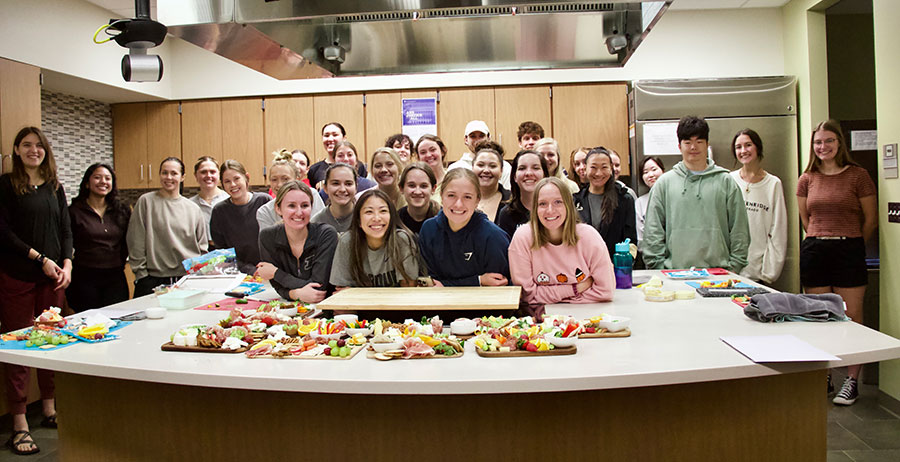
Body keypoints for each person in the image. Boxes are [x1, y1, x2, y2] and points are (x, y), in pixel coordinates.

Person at [0, 127, 70, 455]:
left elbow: (65, 230)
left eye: (39, 145)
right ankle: (19, 422)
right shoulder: (5, 186)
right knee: (20, 346)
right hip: (18, 277)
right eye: (27, 145)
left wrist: (67, 263)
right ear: (16, 150)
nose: (33, 150)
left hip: (53, 277)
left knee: (51, 342)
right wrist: (39, 258)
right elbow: (3, 233)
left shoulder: (55, 187)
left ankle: (50, 408)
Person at [797, 120, 876, 406]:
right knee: (820, 317)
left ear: (839, 143)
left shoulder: (858, 176)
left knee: (852, 317)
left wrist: (849, 241)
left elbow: (870, 220)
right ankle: (826, 376)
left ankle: (851, 380)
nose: (823, 147)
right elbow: (806, 219)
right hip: (816, 249)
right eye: (818, 142)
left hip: (849, 249)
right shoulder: (807, 178)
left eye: (828, 141)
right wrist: (822, 236)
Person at [642, 116, 750, 271]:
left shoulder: (725, 181)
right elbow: (653, 231)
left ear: (707, 144)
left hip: (719, 275)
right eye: (688, 142)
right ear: (679, 146)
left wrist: (733, 268)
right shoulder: (664, 183)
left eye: (699, 141)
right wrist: (660, 268)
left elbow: (739, 230)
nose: (693, 147)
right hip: (674, 274)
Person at [509, 177, 615, 306]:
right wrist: (575, 289)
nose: (550, 210)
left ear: (568, 205)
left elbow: (605, 291)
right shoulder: (523, 237)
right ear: (534, 208)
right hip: (541, 318)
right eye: (542, 204)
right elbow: (527, 295)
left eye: (558, 202)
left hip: (587, 313)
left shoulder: (589, 236)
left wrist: (550, 297)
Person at [127, 157, 209, 297]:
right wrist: (142, 276)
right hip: (153, 281)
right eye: (164, 173)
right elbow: (136, 241)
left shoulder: (193, 209)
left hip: (186, 280)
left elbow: (202, 248)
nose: (168, 177)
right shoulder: (146, 202)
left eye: (174, 173)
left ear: (182, 177)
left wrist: (199, 276)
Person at [418, 168, 510, 287]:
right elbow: (432, 284)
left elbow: (499, 284)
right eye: (451, 195)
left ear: (477, 200)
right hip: (439, 303)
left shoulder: (493, 236)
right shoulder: (429, 229)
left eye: (467, 197)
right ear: (441, 196)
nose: (458, 204)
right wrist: (479, 281)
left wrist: (446, 285)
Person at [257, 180, 338, 302]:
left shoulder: (325, 234)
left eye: (305, 205)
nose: (299, 212)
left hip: (325, 308)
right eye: (291, 206)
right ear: (278, 209)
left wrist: (276, 273)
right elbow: (278, 287)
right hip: (289, 307)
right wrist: (294, 294)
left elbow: (318, 288)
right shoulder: (267, 237)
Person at [67, 163, 131, 311]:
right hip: (84, 278)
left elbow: (127, 243)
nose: (103, 181)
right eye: (97, 177)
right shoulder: (74, 211)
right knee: (87, 326)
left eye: (108, 178)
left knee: (117, 320)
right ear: (87, 183)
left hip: (115, 277)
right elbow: (66, 242)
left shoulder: (121, 210)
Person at [729, 129, 787, 284]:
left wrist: (769, 271)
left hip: (759, 271)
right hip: (730, 270)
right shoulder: (729, 180)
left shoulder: (773, 184)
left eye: (748, 145)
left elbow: (778, 230)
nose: (743, 151)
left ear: (757, 147)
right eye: (738, 147)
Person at [330, 189, 420, 288]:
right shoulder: (347, 241)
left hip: (395, 302)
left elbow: (409, 287)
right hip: (359, 303)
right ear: (359, 220)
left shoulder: (402, 240)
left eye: (383, 211)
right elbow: (341, 290)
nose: (377, 218)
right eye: (369, 212)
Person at [573, 147, 637, 258]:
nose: (598, 173)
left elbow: (631, 240)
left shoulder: (624, 200)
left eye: (604, 167)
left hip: (614, 267)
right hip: (583, 267)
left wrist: (623, 263)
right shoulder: (575, 200)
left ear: (611, 169)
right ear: (585, 169)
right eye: (593, 167)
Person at [209, 160, 271, 274]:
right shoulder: (219, 211)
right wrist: (250, 270)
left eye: (236, 179)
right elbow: (222, 252)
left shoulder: (264, 201)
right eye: (227, 181)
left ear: (246, 177)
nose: (233, 185)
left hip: (270, 270)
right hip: (239, 274)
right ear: (222, 185)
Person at [257, 153, 325, 231]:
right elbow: (268, 241)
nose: (279, 185)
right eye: (274, 180)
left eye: (285, 179)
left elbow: (321, 229)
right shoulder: (265, 212)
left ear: (296, 179)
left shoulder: (312, 195)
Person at [496, 150, 549, 238]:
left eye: (535, 168)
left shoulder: (558, 209)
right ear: (515, 177)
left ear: (545, 175)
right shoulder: (507, 214)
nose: (528, 173)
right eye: (522, 168)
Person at [447, 121, 512, 189]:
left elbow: (508, 194)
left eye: (481, 136)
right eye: (473, 136)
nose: (477, 140)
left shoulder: (504, 167)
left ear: (489, 138)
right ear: (466, 140)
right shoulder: (455, 168)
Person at [188, 156, 228, 245]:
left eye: (212, 172)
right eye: (203, 172)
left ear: (219, 174)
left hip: (226, 253)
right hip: (200, 253)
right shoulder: (190, 205)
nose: (208, 176)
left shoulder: (229, 200)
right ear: (196, 175)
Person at [312, 163, 358, 233]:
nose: (342, 189)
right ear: (325, 188)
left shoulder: (364, 218)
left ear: (356, 188)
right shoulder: (316, 223)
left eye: (348, 184)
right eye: (336, 183)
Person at [472, 141, 510, 222]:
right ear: (472, 168)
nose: (486, 170)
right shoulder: (461, 200)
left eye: (492, 166)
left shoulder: (512, 201)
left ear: (501, 171)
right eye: (480, 165)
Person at [397, 162, 440, 234]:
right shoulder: (395, 221)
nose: (417, 192)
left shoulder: (444, 219)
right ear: (401, 188)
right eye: (411, 185)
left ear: (433, 189)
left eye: (423, 186)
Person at [635, 156, 665, 243]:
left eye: (654, 169)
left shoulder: (674, 196)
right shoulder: (640, 202)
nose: (651, 175)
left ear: (663, 171)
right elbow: (640, 237)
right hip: (650, 252)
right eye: (645, 172)